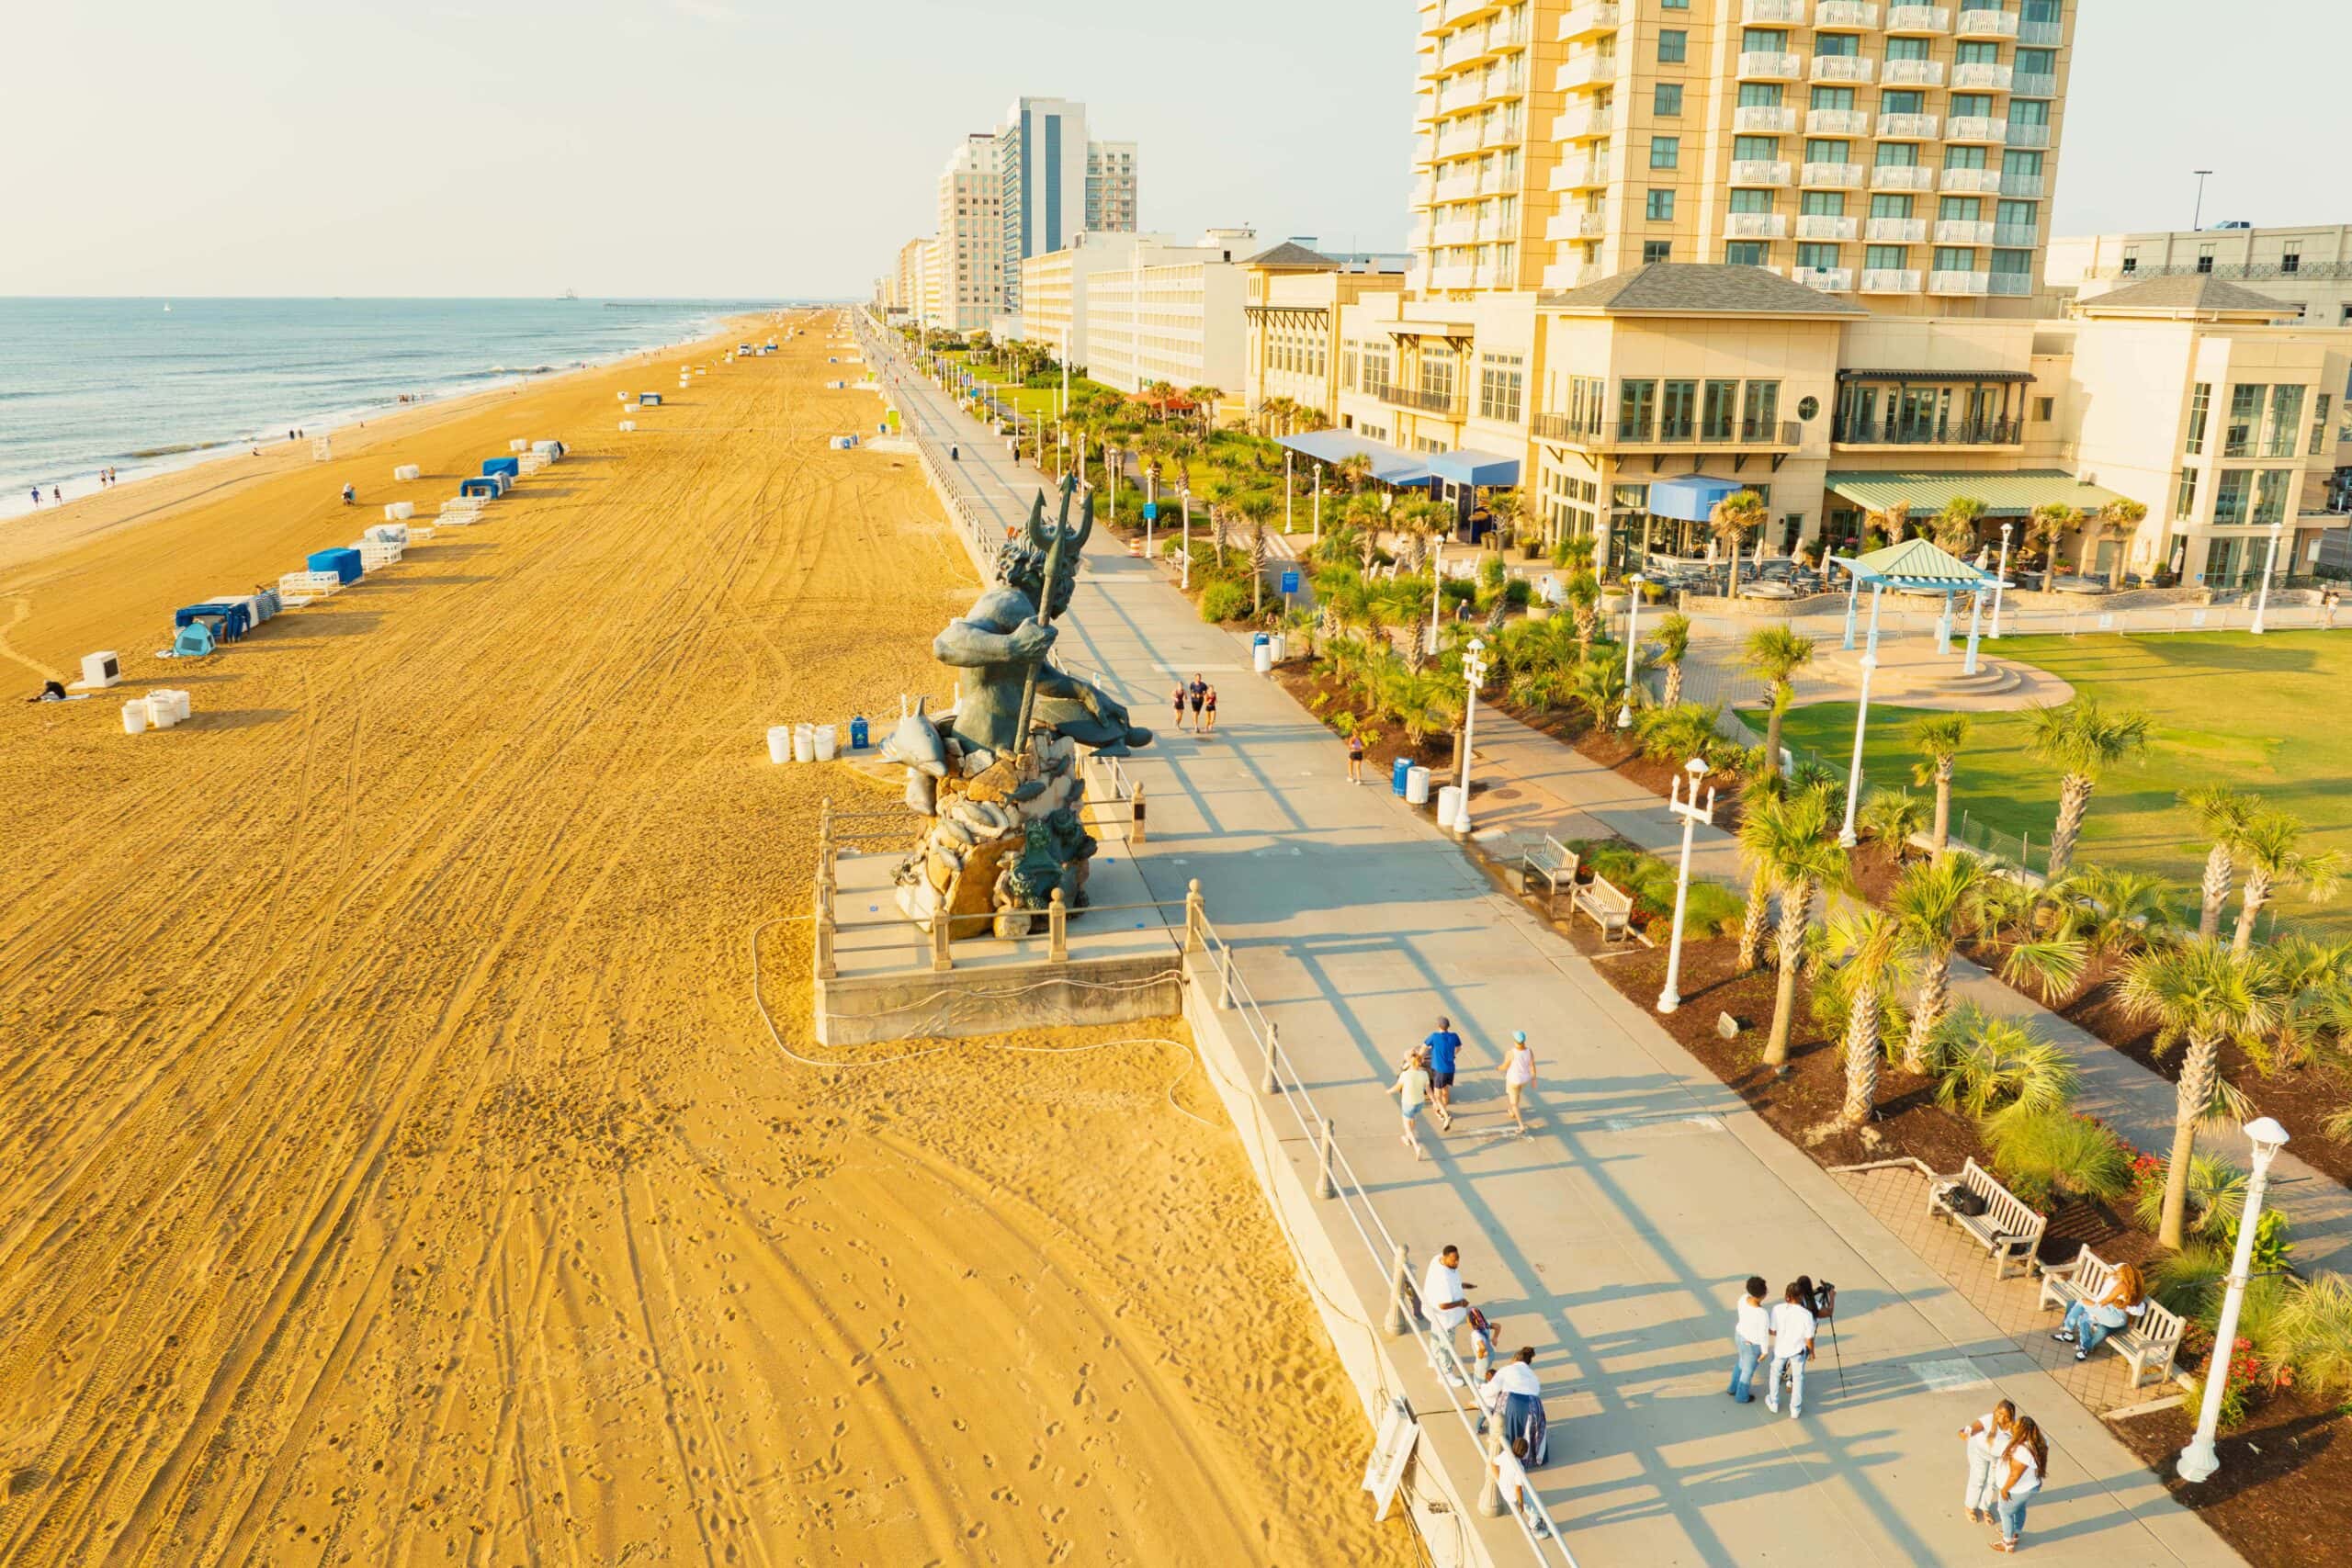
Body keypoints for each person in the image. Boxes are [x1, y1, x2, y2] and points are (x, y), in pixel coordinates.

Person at [1419, 1244, 1489, 1385]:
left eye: (1458, 1259)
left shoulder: (1437, 1260)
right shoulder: (1444, 1280)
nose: (1457, 1262)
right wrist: (1461, 1303)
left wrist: (1461, 1285)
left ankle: (1433, 1359)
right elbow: (1443, 1305)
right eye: (1454, 1260)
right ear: (1445, 1257)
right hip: (1445, 1319)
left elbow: (1452, 1283)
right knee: (1447, 1345)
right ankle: (1445, 1374)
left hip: (1434, 1313)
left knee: (1436, 1336)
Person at [2053, 1262, 2145, 1361]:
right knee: (2085, 1318)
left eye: (2117, 1271)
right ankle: (2083, 1347)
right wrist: (2095, 1309)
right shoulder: (2132, 1287)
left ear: (2123, 1273)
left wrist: (2095, 1308)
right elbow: (2107, 1300)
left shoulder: (2121, 1285)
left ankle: (2069, 1330)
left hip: (2114, 1317)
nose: (2115, 1273)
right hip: (2114, 1315)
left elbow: (2105, 1300)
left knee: (2081, 1302)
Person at [1991, 1416, 2047, 1553]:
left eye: (2017, 1426)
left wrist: (2005, 1489)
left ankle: (2008, 1543)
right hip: (2030, 1486)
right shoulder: (2040, 1441)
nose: (2014, 1426)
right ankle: (2014, 1532)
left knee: (2005, 1512)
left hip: (2018, 1489)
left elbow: (2015, 1475)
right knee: (2019, 1508)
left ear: (2022, 1431)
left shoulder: (2022, 1451)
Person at [1959, 1400, 2018, 1526]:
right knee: (1979, 1478)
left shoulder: (2015, 1427)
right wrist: (1966, 1432)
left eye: (2004, 1415)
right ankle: (1970, 1506)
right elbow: (1974, 1427)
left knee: (1993, 1482)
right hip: (1978, 1451)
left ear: (2010, 1416)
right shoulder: (1988, 1419)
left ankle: (1984, 1507)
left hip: (1997, 1457)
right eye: (1998, 1413)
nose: (1999, 1417)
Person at [1765, 1280, 1815, 1419]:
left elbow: (1772, 1331)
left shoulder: (1777, 1309)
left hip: (1780, 1349)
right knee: (1798, 1379)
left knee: (1775, 1374)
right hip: (1798, 1351)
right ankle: (1795, 1409)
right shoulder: (1807, 1315)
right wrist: (1812, 1352)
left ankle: (1774, 1402)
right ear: (1801, 1297)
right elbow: (1809, 1338)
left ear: (1787, 1295)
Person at [1491, 1345, 1546, 1464]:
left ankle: (1507, 1458)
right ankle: (1529, 1458)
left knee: (1506, 1429)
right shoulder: (1533, 1376)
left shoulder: (1507, 1369)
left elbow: (1492, 1388)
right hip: (1534, 1404)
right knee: (1528, 1430)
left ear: (1515, 1359)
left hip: (1513, 1401)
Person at [1490, 1436, 1549, 1539]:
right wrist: (1521, 1505)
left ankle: (1534, 1520)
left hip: (1504, 1489)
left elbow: (1493, 1464)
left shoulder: (1505, 1455)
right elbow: (1518, 1489)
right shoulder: (1519, 1468)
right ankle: (1534, 1527)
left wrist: (1500, 1480)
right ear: (1524, 1452)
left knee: (1529, 1503)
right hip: (1513, 1495)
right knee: (1536, 1508)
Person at [1729, 1276, 1771, 1404]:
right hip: (1752, 1344)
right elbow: (1763, 1334)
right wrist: (1764, 1351)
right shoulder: (1762, 1313)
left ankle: (1733, 1387)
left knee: (1741, 1362)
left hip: (1739, 1336)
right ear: (1761, 1295)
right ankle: (1741, 1396)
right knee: (1748, 1371)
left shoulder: (1742, 1299)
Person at [1385, 1049, 1432, 1162]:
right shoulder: (1424, 1074)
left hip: (1408, 1102)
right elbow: (1428, 1090)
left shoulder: (1405, 1075)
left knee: (1407, 1124)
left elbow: (1397, 1087)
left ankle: (1416, 1146)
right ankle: (1408, 1137)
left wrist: (1388, 1091)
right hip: (1419, 1103)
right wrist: (1434, 1101)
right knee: (1412, 1119)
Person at [1422, 1016, 1463, 1131]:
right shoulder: (1454, 1036)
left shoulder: (1434, 1036)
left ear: (1438, 1026)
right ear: (1448, 1027)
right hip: (1450, 1069)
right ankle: (1443, 1109)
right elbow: (1459, 1048)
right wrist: (1453, 1054)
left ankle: (1445, 1115)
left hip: (1439, 1070)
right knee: (1445, 1090)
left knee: (1437, 1095)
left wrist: (1419, 1058)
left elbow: (1424, 1047)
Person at [1499, 1031, 1535, 1135]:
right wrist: (1534, 1079)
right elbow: (1532, 1065)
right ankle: (1512, 1111)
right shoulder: (1529, 1051)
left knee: (1514, 1103)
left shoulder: (1511, 1052)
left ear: (1515, 1041)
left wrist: (1498, 1068)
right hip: (1525, 1079)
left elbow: (1505, 1066)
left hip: (1513, 1080)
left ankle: (1521, 1125)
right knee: (1517, 1093)